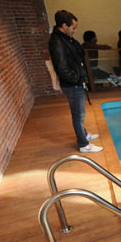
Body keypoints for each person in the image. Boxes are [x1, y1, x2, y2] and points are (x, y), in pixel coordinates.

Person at [48, 10, 102, 153]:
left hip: (75, 82)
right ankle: (84, 145)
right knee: (78, 115)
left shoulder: (66, 38)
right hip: (72, 85)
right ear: (64, 25)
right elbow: (62, 69)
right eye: (73, 28)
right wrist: (77, 79)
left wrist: (72, 39)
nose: (75, 31)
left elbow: (80, 52)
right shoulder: (57, 42)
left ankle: (84, 135)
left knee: (79, 113)